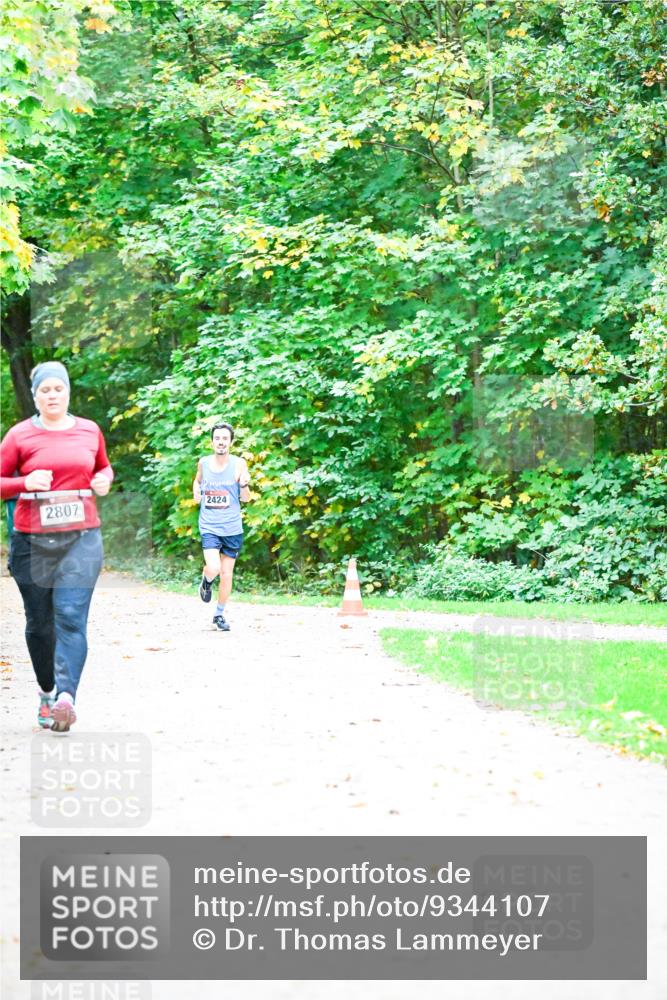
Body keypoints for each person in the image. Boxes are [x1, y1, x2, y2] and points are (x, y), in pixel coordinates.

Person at [0, 361, 113, 731]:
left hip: (81, 537)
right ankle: (47, 692)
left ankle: (67, 698)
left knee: (70, 615)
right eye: (45, 390)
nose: (52, 395)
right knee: (40, 624)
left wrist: (103, 480)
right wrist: (24, 483)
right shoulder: (19, 436)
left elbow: (103, 467)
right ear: (35, 396)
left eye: (58, 389)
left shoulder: (89, 430)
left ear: (68, 392)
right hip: (32, 542)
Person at [193, 422, 250, 631]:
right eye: (217, 438)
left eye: (225, 438)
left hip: (232, 528)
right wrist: (195, 490)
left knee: (227, 574)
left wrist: (243, 484)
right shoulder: (203, 463)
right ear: (212, 442)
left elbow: (246, 498)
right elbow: (197, 481)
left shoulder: (239, 464)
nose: (221, 442)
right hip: (209, 525)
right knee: (214, 568)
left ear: (231, 442)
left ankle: (218, 615)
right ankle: (206, 581)